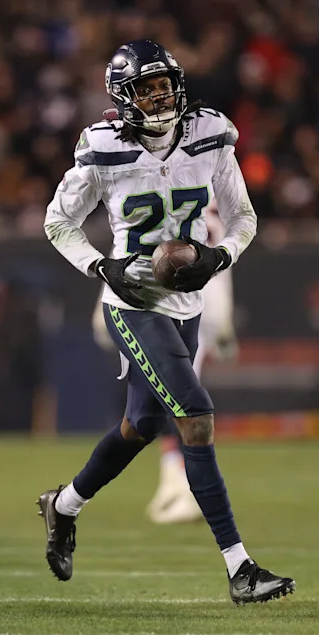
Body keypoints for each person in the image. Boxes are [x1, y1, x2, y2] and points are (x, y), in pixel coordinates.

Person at [39, 39, 294, 604]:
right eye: (146, 88)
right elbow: (58, 222)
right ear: (122, 97)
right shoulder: (103, 148)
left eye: (164, 85)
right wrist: (100, 266)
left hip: (189, 303)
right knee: (195, 416)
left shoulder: (209, 135)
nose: (158, 97)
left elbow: (243, 218)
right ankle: (240, 568)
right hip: (133, 302)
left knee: (141, 425)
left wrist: (219, 257)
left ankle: (64, 505)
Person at [92, 205, 236, 525]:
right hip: (206, 303)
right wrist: (225, 321)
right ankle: (173, 481)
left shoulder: (164, 196)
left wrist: (103, 313)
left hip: (170, 302)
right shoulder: (209, 203)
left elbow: (133, 250)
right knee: (171, 401)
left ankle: (186, 487)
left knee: (176, 403)